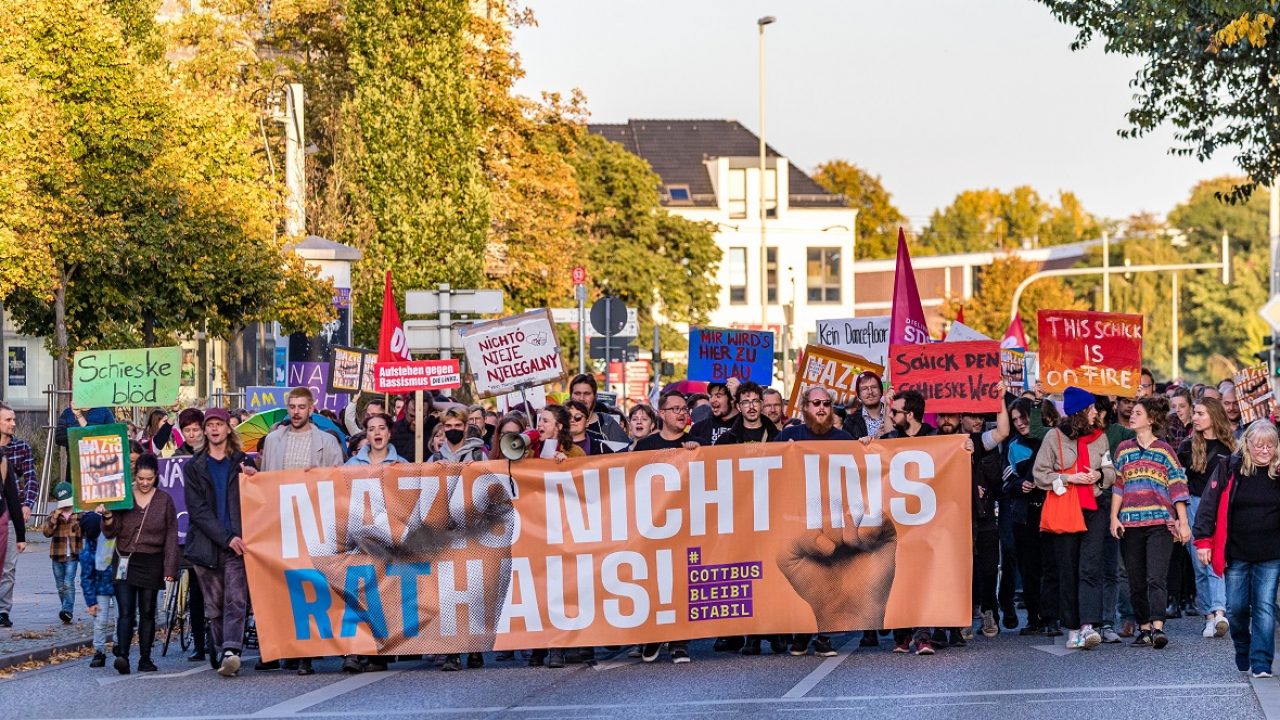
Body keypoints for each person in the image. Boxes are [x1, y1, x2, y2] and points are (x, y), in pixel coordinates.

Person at [258, 389, 343, 674]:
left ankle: (312, 648)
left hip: (315, 522)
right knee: (288, 586)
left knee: (314, 584)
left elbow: (339, 483)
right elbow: (265, 482)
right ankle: (294, 647)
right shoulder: (272, 441)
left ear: (312, 408)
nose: (296, 412)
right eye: (292, 407)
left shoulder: (328, 443)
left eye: (301, 407)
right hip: (283, 523)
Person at [1193, 421, 1280, 677]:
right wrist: (1203, 542)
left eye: (1271, 446)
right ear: (1247, 444)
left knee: (1264, 606)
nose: (1265, 451)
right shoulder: (1229, 467)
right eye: (1259, 445)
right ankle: (1243, 645)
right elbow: (1208, 506)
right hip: (1236, 551)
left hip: (1271, 552)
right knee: (1236, 609)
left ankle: (1262, 662)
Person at [1033, 387, 1116, 651]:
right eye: (1091, 409)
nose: (1096, 413)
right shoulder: (1053, 437)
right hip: (1066, 508)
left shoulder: (1101, 439)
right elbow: (1040, 474)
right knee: (1067, 569)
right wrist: (1069, 478)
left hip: (1094, 508)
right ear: (1080, 412)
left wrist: (1099, 476)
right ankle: (1072, 628)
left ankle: (1089, 625)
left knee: (1090, 567)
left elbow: (1111, 470)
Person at [775, 385, 853, 658]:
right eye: (816, 403)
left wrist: (868, 447)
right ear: (805, 408)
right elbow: (764, 469)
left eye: (826, 404)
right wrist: (783, 452)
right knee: (802, 578)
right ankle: (800, 634)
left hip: (830, 521)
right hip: (797, 520)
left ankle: (823, 637)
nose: (821, 408)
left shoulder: (844, 439)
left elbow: (862, 473)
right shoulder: (790, 436)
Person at [1111, 395, 1191, 650]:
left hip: (1160, 523)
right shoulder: (1123, 449)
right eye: (1132, 412)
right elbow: (1118, 485)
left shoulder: (1164, 450)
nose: (1131, 416)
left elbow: (1177, 486)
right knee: (1135, 579)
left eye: (1137, 412)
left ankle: (1158, 627)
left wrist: (1183, 522)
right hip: (1130, 523)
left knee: (1156, 577)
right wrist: (1114, 517)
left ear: (1151, 419)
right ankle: (1143, 628)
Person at [185, 408, 256, 678]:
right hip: (207, 544)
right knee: (215, 605)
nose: (215, 429)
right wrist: (225, 537)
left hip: (239, 543)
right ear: (204, 430)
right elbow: (197, 510)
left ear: (229, 429)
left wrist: (253, 477)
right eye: (210, 425)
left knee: (237, 599)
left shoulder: (241, 461)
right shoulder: (193, 467)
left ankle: (231, 651)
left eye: (220, 424)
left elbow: (258, 497)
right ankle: (221, 647)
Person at [102, 453, 180, 674]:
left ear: (156, 476)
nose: (145, 483)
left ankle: (145, 658)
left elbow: (172, 536)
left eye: (150, 479)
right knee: (126, 610)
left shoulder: (164, 500)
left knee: (147, 611)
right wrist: (107, 516)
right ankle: (123, 656)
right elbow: (111, 531)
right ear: (134, 476)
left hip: (152, 560)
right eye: (141, 478)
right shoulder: (124, 498)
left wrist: (170, 568)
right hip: (126, 558)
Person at [1177, 396, 1234, 640]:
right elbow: (1179, 483)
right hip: (1194, 505)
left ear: (1213, 415)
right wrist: (1179, 519)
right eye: (1195, 413)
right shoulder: (1187, 447)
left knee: (1216, 561)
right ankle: (1209, 616)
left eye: (1200, 413)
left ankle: (1220, 611)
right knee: (1199, 564)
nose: (1195, 418)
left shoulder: (1229, 447)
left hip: (1221, 507)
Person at [1004, 397, 1054, 636]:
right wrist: (1019, 486)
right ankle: (1034, 618)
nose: (1020, 423)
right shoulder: (1013, 445)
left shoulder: (1049, 438)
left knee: (1051, 566)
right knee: (1029, 568)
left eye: (1023, 418)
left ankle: (1052, 617)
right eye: (1014, 420)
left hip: (1051, 510)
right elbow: (1006, 482)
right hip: (1024, 516)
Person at [0, 402, 35, 628]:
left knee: (8, 566)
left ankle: (3, 610)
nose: (13, 423)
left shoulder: (20, 448)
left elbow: (31, 478)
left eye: (13, 419)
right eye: (8, 419)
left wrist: (27, 504)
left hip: (9, 515)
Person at [79, 508, 116, 667]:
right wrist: (90, 601)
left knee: (122, 618)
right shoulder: (88, 552)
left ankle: (119, 645)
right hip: (102, 587)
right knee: (100, 621)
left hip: (119, 583)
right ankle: (99, 651)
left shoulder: (112, 539)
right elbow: (86, 577)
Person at [42, 482, 82, 624]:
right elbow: (46, 532)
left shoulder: (78, 513)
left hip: (72, 555)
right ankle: (64, 608)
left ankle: (68, 610)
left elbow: (84, 532)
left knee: (68, 583)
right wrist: (54, 518)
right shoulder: (54, 515)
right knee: (60, 585)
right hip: (57, 554)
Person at [712, 382, 779, 446]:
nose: (751, 407)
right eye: (746, 402)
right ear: (738, 407)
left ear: (761, 404)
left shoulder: (778, 437)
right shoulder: (726, 440)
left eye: (755, 401)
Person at [569, 374, 629, 445]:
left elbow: (626, 451)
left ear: (595, 396)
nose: (581, 398)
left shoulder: (607, 422)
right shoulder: (560, 422)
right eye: (577, 393)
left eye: (587, 393)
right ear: (570, 395)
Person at [691, 379, 741, 445]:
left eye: (718, 396)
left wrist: (739, 395)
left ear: (732, 399)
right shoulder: (698, 429)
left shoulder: (746, 425)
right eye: (711, 396)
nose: (712, 400)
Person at [846, 372, 890, 440]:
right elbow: (847, 448)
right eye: (864, 389)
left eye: (874, 387)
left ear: (881, 391)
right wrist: (874, 440)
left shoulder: (894, 415)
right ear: (859, 395)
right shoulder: (850, 421)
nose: (870, 392)